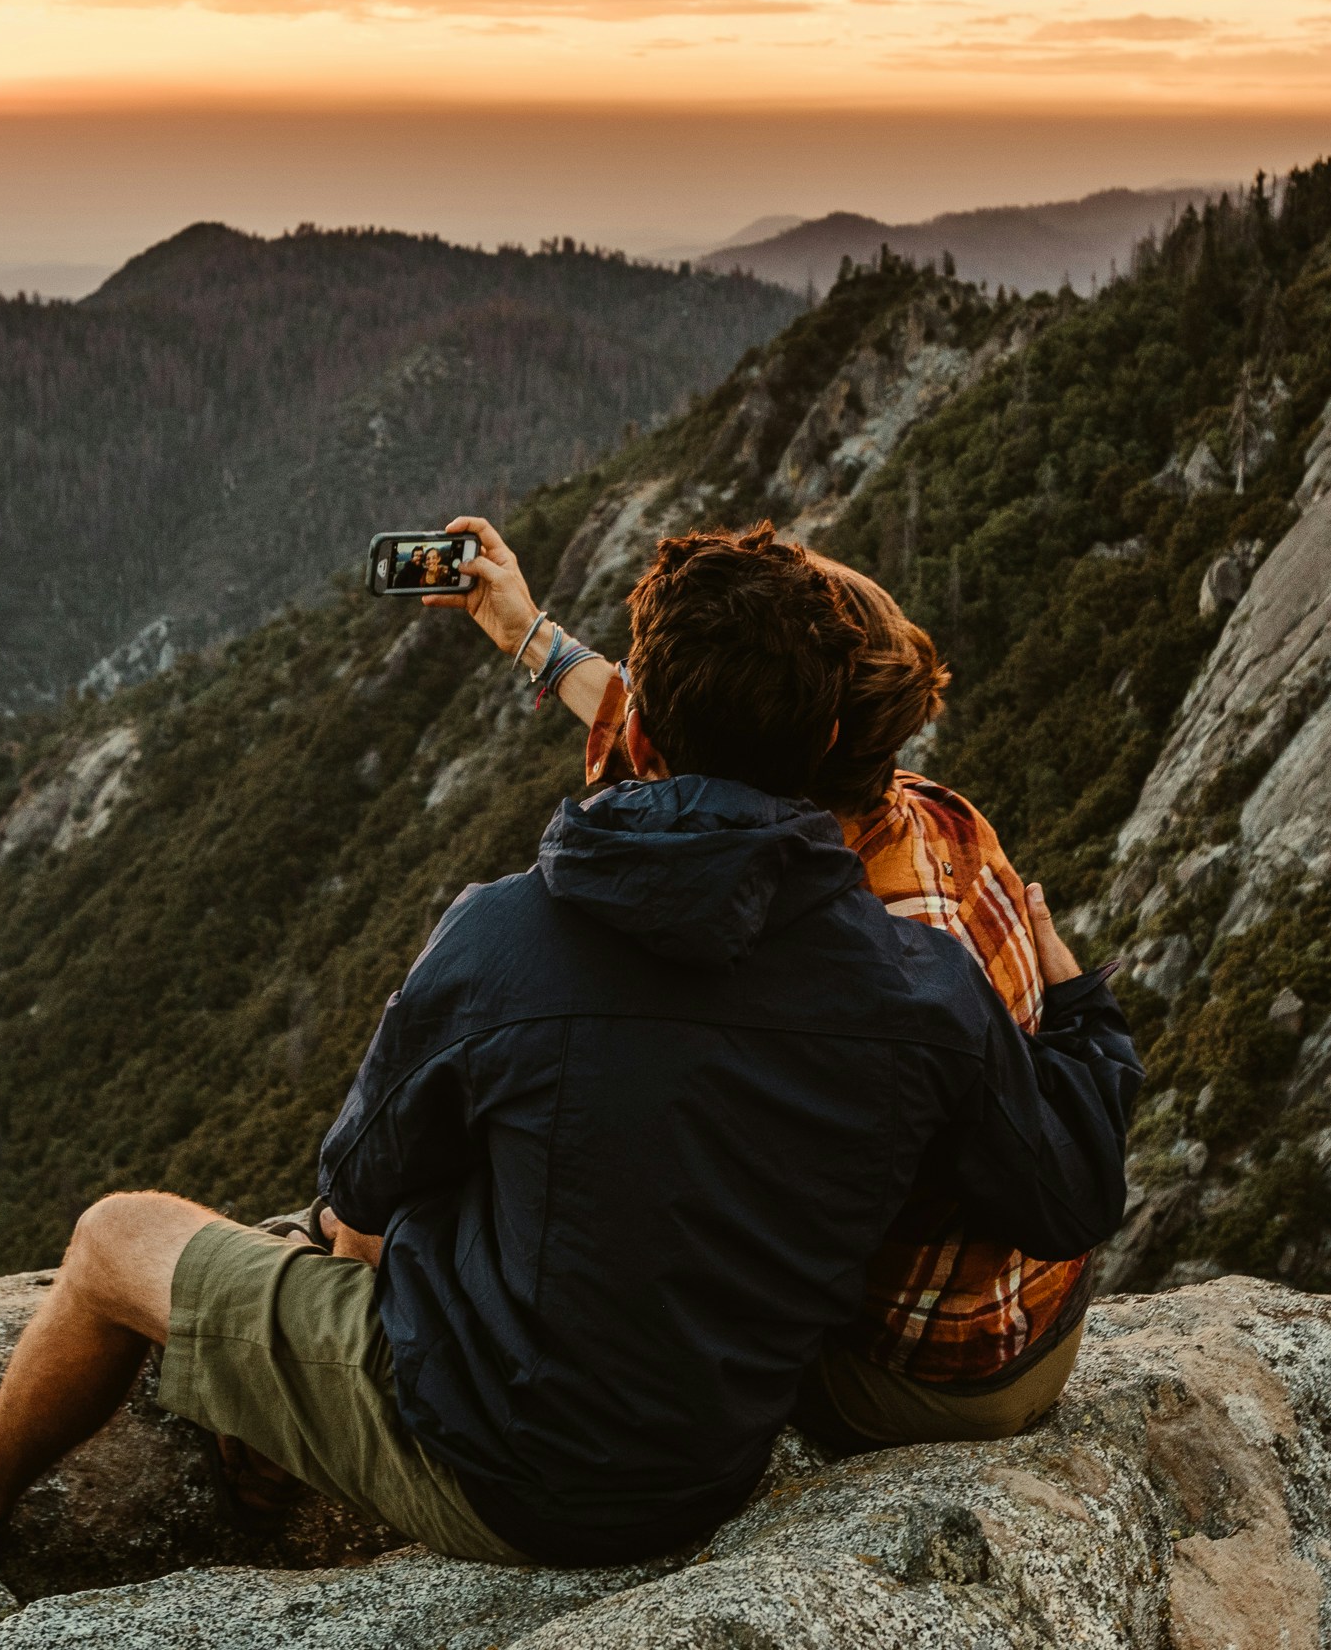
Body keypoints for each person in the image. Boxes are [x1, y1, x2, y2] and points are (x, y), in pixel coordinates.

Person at [0, 524, 1141, 1566]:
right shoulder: (923, 979)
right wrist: (1078, 1009)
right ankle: (273, 1417)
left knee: (124, 1234)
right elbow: (1068, 1188)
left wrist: (322, 1297)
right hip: (716, 1457)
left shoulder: (504, 941)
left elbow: (361, 1200)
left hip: (513, 1473)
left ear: (653, 741)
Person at [423, 515, 1106, 1452]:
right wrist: (528, 633)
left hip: (919, 1375)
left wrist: (1088, 1019)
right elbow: (678, 739)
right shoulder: (935, 815)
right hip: (1034, 1328)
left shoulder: (852, 938)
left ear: (800, 740)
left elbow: (690, 764)